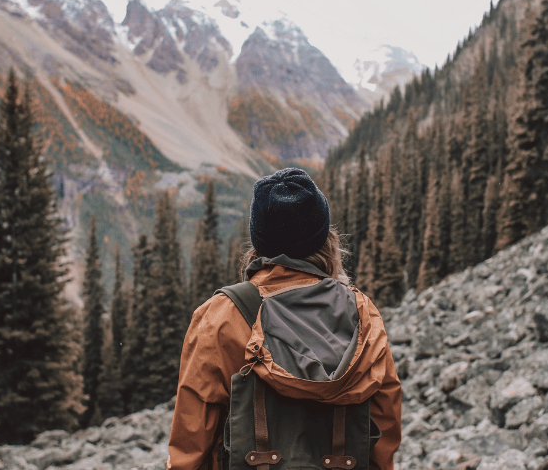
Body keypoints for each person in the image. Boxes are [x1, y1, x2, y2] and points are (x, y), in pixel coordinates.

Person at [168, 168, 402, 470]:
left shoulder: (221, 315)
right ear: (326, 240)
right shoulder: (362, 313)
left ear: (259, 243)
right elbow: (384, 425)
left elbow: (193, 440)